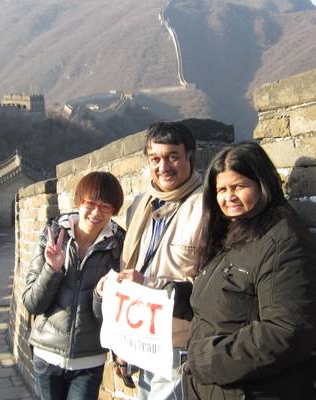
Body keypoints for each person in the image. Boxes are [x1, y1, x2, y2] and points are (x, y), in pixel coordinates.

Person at [183, 142, 316, 400]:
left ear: (263, 184)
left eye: (239, 187)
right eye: (222, 190)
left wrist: (205, 360)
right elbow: (224, 296)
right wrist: (174, 295)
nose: (229, 197)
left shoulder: (283, 242)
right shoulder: (235, 233)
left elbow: (286, 331)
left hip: (254, 390)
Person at [99, 121, 205, 400]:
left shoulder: (207, 207)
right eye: (155, 159)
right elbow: (132, 266)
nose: (163, 167)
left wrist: (147, 284)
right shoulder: (141, 204)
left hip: (177, 341)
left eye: (173, 157)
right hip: (140, 336)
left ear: (190, 157)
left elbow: (211, 285)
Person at [22, 171, 126, 400]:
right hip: (47, 356)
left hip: (89, 361)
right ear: (79, 201)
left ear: (114, 210)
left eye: (105, 206)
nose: (96, 212)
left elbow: (114, 316)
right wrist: (52, 270)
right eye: (91, 203)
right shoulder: (53, 236)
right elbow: (32, 304)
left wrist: (100, 295)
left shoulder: (118, 246)